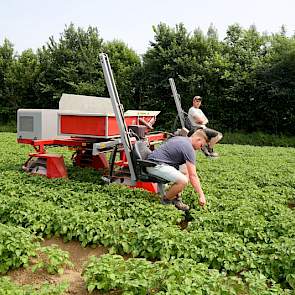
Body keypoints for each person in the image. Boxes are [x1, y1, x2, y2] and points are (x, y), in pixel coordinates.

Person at [146, 129, 208, 212]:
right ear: (198, 139)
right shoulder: (189, 148)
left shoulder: (181, 139)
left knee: (185, 172)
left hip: (154, 162)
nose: (200, 148)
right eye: (201, 145)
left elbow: (189, 172)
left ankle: (176, 198)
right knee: (183, 181)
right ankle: (165, 200)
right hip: (154, 165)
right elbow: (193, 175)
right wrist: (201, 195)